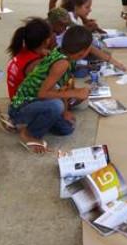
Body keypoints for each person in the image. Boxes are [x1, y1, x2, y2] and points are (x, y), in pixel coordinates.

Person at [9, 25, 92, 153]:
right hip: (21, 106)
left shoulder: (65, 55)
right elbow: (43, 93)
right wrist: (75, 93)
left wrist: (65, 111)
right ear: (83, 52)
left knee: (66, 129)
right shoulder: (62, 63)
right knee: (56, 106)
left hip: (35, 104)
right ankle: (27, 134)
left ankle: (22, 124)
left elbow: (62, 87)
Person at [6, 18, 54, 100]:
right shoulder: (36, 64)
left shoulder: (23, 49)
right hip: (22, 104)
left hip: (15, 97)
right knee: (57, 105)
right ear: (46, 41)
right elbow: (45, 90)